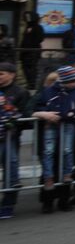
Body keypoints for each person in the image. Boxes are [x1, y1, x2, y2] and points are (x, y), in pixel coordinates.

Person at [34, 64, 75, 213]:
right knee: (49, 156)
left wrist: (73, 112)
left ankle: (64, 200)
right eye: (72, 81)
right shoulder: (47, 92)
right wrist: (44, 114)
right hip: (50, 128)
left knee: (67, 156)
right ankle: (48, 201)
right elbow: (36, 107)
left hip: (68, 128)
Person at [1, 61, 33, 219]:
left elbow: (26, 115)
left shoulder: (20, 92)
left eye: (1, 73)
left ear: (12, 75)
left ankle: (8, 204)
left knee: (10, 169)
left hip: (9, 137)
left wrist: (11, 117)